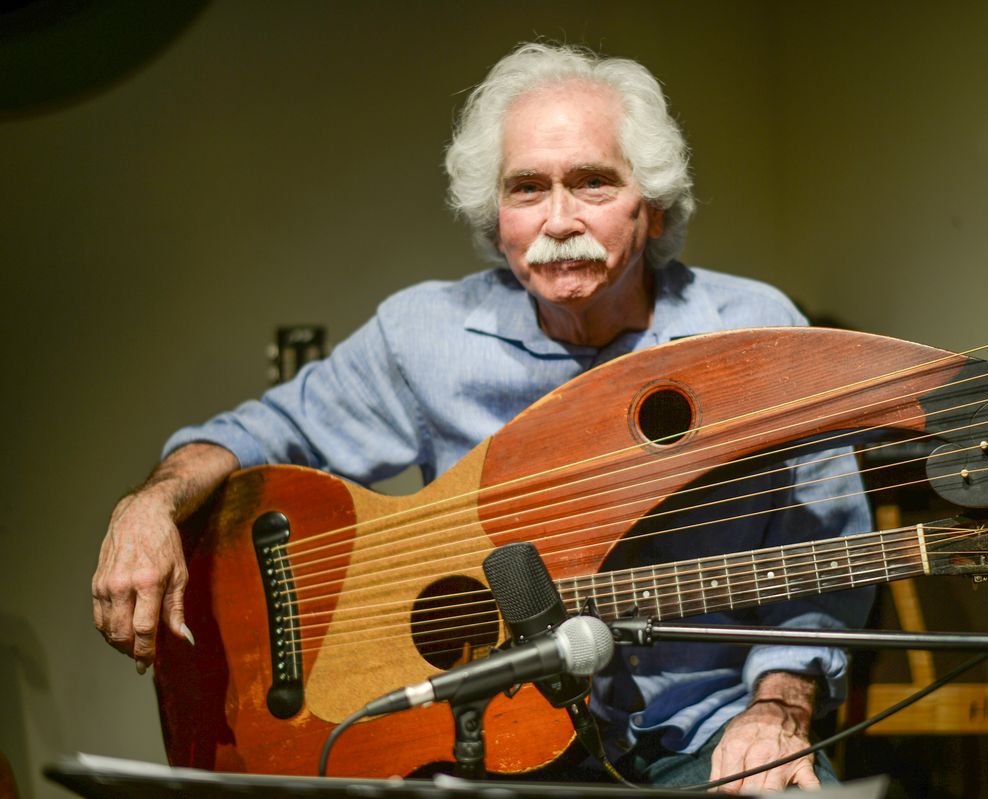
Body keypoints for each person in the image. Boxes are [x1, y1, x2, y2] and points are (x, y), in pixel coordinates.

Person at [91, 43, 874, 793]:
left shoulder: (756, 333)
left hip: (698, 736)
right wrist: (152, 503)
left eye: (593, 182)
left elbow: (826, 561)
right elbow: (253, 436)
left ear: (656, 209)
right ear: (494, 215)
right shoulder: (422, 336)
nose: (558, 219)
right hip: (472, 751)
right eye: (526, 188)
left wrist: (776, 709)